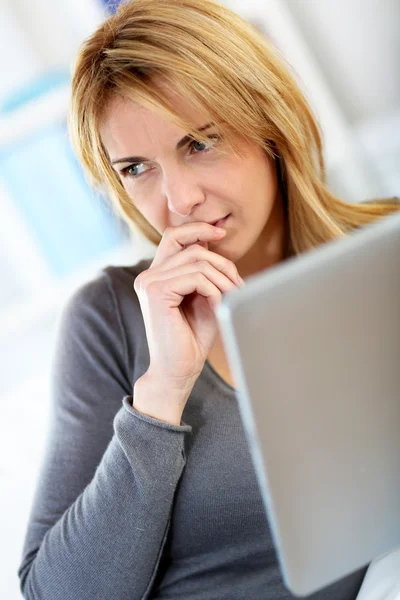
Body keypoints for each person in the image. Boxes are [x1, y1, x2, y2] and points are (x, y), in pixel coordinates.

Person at [18, 0, 400, 598]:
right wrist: (162, 392)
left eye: (199, 143)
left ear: (269, 122)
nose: (178, 198)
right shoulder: (111, 317)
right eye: (137, 167)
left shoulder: (385, 258)